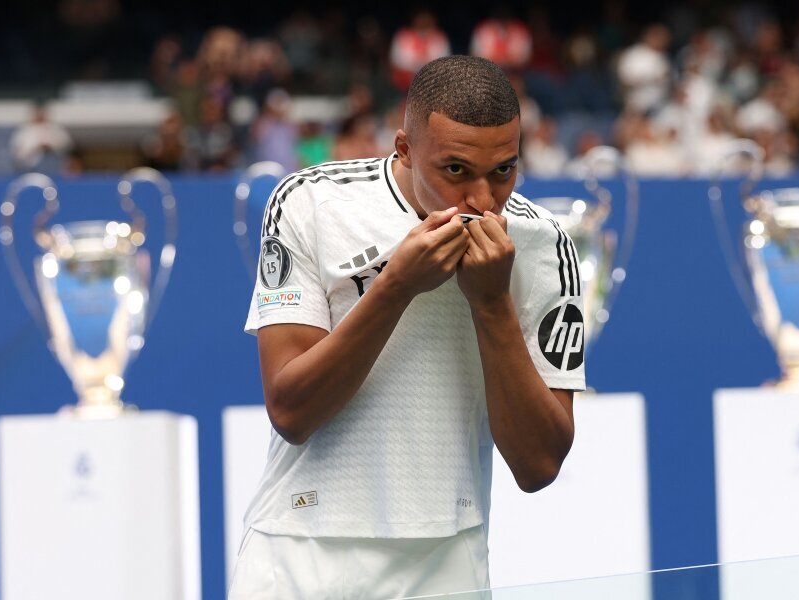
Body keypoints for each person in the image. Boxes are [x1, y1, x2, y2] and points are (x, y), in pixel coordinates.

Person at [232, 55, 585, 599]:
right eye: (456, 171)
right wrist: (395, 286)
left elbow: (539, 465)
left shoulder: (544, 243)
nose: (482, 201)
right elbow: (290, 410)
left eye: (504, 171)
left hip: (448, 558)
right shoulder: (311, 201)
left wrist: (491, 305)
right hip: (300, 550)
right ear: (404, 149)